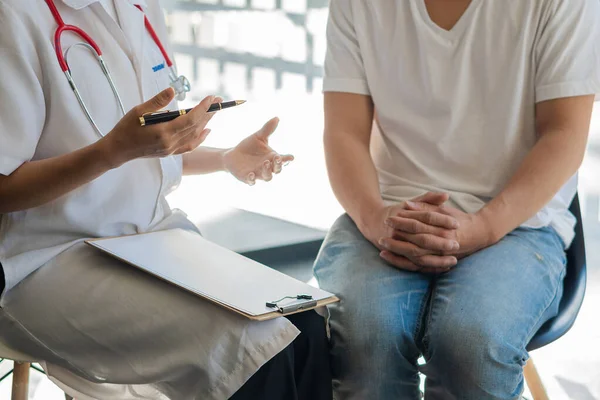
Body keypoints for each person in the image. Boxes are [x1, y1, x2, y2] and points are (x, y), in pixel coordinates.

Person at [0, 1, 331, 399]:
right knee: (255, 352)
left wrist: (225, 158)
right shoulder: (15, 15)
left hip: (152, 240)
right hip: (48, 257)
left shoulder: (139, 8)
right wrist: (111, 152)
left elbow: (146, 146)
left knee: (304, 324)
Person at [314, 0, 600, 399]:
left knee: (470, 342)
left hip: (516, 223)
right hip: (388, 215)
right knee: (365, 337)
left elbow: (565, 134)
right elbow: (343, 130)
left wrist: (484, 226)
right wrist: (375, 219)